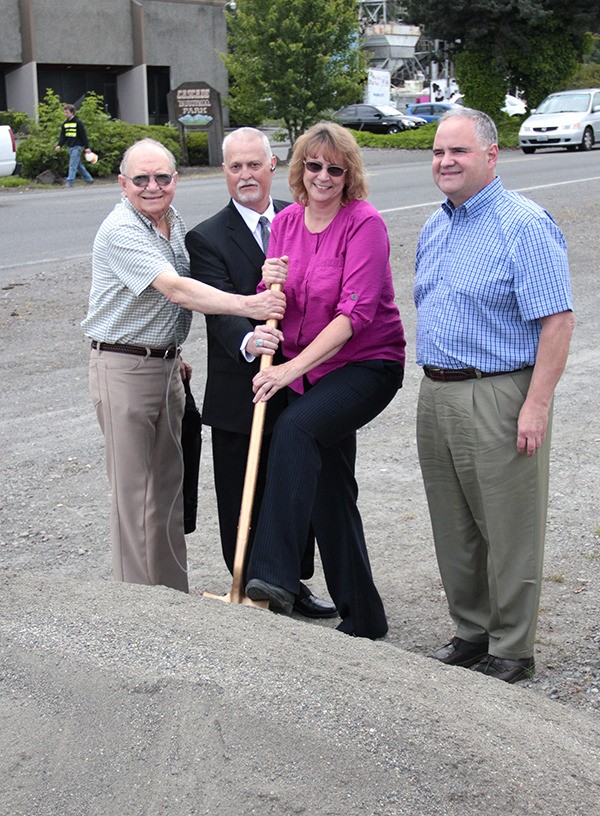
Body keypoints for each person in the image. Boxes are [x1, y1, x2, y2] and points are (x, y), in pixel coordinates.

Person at [81, 138, 285, 593]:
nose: (152, 187)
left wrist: (174, 350)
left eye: (161, 178)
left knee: (169, 492)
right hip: (122, 368)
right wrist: (250, 303)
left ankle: (173, 599)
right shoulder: (122, 229)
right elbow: (176, 289)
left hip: (167, 367)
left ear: (176, 181)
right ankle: (136, 603)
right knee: (134, 496)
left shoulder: (171, 221)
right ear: (122, 183)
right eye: (141, 179)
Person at [415, 108, 574, 683]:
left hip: (500, 392)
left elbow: (557, 321)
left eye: (458, 151)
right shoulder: (437, 225)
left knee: (509, 525)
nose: (445, 161)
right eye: (437, 152)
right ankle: (471, 630)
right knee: (453, 524)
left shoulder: (523, 225)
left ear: (490, 155)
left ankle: (512, 646)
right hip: (437, 392)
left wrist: (536, 404)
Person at [243, 122, 406, 640]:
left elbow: (352, 315)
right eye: (314, 165)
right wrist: (264, 297)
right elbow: (272, 296)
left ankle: (273, 574)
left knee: (295, 430)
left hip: (365, 365)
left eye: (335, 168)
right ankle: (364, 618)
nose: (323, 176)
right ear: (300, 169)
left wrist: (292, 369)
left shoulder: (365, 225)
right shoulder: (286, 222)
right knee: (331, 490)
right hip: (309, 367)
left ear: (349, 173)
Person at [185, 127, 336, 619]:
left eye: (254, 165)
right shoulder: (206, 237)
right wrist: (249, 340)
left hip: (297, 383)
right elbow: (218, 304)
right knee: (239, 492)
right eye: (235, 167)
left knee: (292, 488)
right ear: (224, 173)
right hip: (240, 388)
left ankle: (290, 583)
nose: (245, 175)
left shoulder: (301, 222)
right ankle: (246, 583)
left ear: (273, 165)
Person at [54, 104, 94, 188]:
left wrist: (87, 147)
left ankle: (70, 182)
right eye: (64, 112)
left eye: (67, 112)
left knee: (72, 164)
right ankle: (88, 179)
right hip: (70, 146)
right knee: (78, 165)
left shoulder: (78, 123)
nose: (65, 114)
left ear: (72, 112)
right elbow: (63, 136)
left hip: (78, 146)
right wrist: (59, 145)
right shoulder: (65, 124)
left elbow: (83, 135)